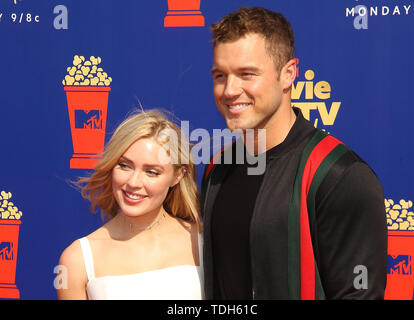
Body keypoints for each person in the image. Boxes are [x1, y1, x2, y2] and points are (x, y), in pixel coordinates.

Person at [201, 7, 387, 299]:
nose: (229, 90)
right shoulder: (218, 167)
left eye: (246, 74)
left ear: (288, 74)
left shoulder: (340, 175)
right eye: (220, 76)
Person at [57, 110, 203, 300]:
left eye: (151, 172)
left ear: (178, 175)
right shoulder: (77, 259)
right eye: (124, 166)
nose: (134, 182)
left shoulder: (201, 241)